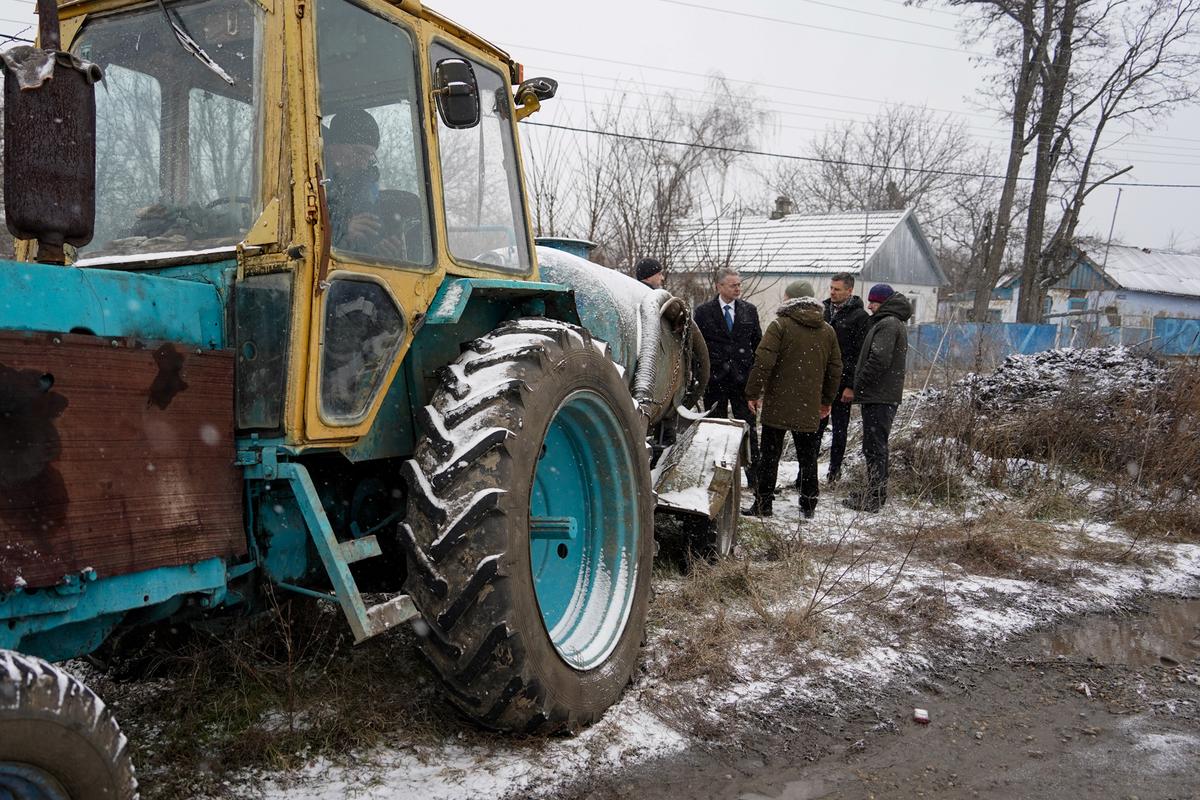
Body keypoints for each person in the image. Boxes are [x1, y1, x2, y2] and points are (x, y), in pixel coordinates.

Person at [742, 281, 841, 519]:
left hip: (778, 403)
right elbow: (835, 368)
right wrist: (826, 400)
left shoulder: (780, 326)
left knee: (770, 457)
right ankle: (809, 504)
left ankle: (763, 504)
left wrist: (752, 393)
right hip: (810, 405)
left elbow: (763, 362)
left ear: (789, 299)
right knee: (808, 457)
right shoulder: (827, 330)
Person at [841, 283, 912, 512]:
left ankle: (874, 497)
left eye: (873, 302)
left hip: (879, 396)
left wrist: (858, 384)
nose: (869, 306)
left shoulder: (888, 324)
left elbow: (879, 359)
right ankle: (874, 493)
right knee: (874, 447)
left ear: (883, 302)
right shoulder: (889, 322)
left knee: (875, 448)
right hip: (880, 395)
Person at [694, 268, 762, 483]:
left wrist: (755, 379)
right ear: (719, 286)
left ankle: (754, 478)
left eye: (739, 285)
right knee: (715, 428)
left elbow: (757, 344)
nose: (738, 288)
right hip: (715, 379)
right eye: (733, 285)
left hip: (742, 380)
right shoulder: (704, 312)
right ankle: (717, 476)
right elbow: (698, 346)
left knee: (748, 427)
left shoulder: (748, 310)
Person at [324, 109, 411, 260]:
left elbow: (354, 250)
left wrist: (376, 254)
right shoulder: (310, 179)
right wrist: (343, 231)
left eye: (369, 157)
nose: (364, 165)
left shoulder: (364, 190)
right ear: (335, 146)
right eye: (359, 153)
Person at [817, 272, 871, 484]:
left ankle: (834, 472)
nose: (832, 292)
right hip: (820, 381)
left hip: (842, 382)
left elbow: (860, 355)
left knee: (840, 429)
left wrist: (851, 386)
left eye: (837, 289)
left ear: (849, 291)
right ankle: (806, 473)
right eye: (831, 288)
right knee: (815, 428)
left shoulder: (860, 318)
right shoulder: (822, 311)